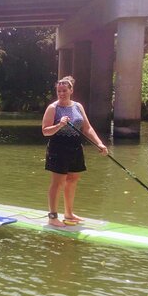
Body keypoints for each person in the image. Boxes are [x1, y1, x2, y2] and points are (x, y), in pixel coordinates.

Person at [41, 76, 108, 227]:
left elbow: (87, 128)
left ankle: (69, 213)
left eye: (64, 90)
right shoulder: (53, 108)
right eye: (59, 91)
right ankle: (52, 217)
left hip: (75, 147)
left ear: (71, 90)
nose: (61, 93)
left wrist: (99, 143)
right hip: (58, 148)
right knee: (57, 183)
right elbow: (45, 131)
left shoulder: (78, 106)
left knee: (72, 180)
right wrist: (59, 124)